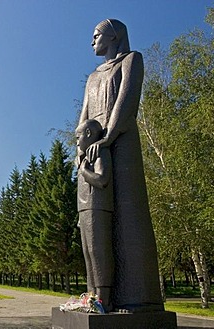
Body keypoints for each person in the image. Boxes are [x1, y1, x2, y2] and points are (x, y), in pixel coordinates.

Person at [78, 19, 163, 311]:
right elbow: (85, 115)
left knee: (128, 215)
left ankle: (137, 297)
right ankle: (98, 297)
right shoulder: (92, 77)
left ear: (114, 36)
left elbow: (127, 101)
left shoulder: (131, 60)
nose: (92, 41)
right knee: (96, 224)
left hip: (121, 141)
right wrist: (81, 149)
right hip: (95, 146)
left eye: (97, 35)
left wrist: (109, 137)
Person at [76, 119, 114, 312]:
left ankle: (103, 299)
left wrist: (84, 171)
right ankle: (91, 297)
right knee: (88, 254)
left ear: (89, 134)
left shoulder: (99, 152)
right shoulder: (83, 157)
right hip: (84, 210)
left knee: (98, 253)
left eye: (78, 137)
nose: (77, 142)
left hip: (97, 207)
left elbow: (102, 180)